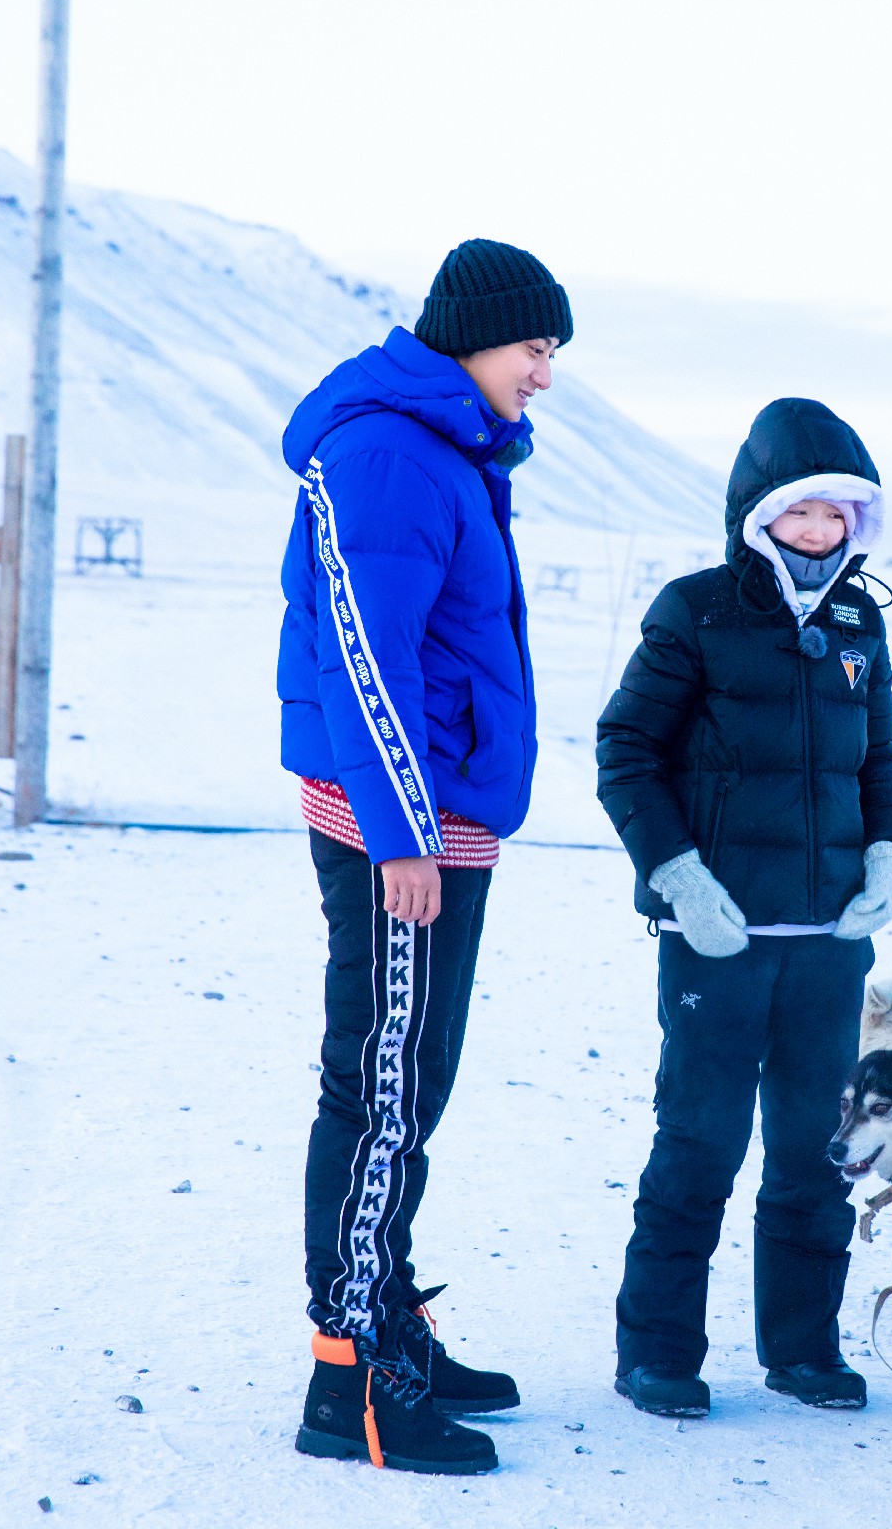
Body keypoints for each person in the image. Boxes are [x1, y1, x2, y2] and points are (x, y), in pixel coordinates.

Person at [279, 238, 571, 1476]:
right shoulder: (390, 452)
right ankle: (349, 1380)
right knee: (383, 1087)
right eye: (535, 349)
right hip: (397, 827)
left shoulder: (446, 449)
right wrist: (404, 835)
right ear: (474, 339)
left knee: (415, 1083)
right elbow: (365, 652)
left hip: (443, 818)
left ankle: (389, 1312)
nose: (544, 376)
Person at [596, 396, 892, 1419]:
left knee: (814, 1149)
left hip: (828, 946)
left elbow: (879, 764)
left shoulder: (861, 622)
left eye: (839, 517)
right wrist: (679, 878)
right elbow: (627, 754)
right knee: (698, 1141)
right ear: (758, 513)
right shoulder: (693, 611)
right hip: (717, 939)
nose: (821, 534)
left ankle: (802, 1348)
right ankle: (657, 1353)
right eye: (802, 514)